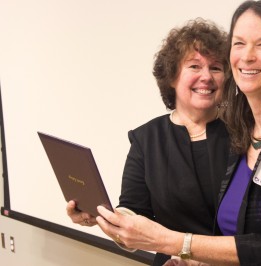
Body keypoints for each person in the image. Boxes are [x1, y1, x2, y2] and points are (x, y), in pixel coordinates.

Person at [95, 0, 261, 265]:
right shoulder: (244, 127)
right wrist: (198, 259)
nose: (247, 56)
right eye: (238, 43)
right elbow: (240, 234)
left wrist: (175, 243)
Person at [66, 18, 230, 265]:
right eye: (195, 66)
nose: (206, 76)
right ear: (172, 77)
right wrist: (101, 217)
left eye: (216, 68)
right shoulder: (146, 138)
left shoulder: (245, 133)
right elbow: (134, 210)